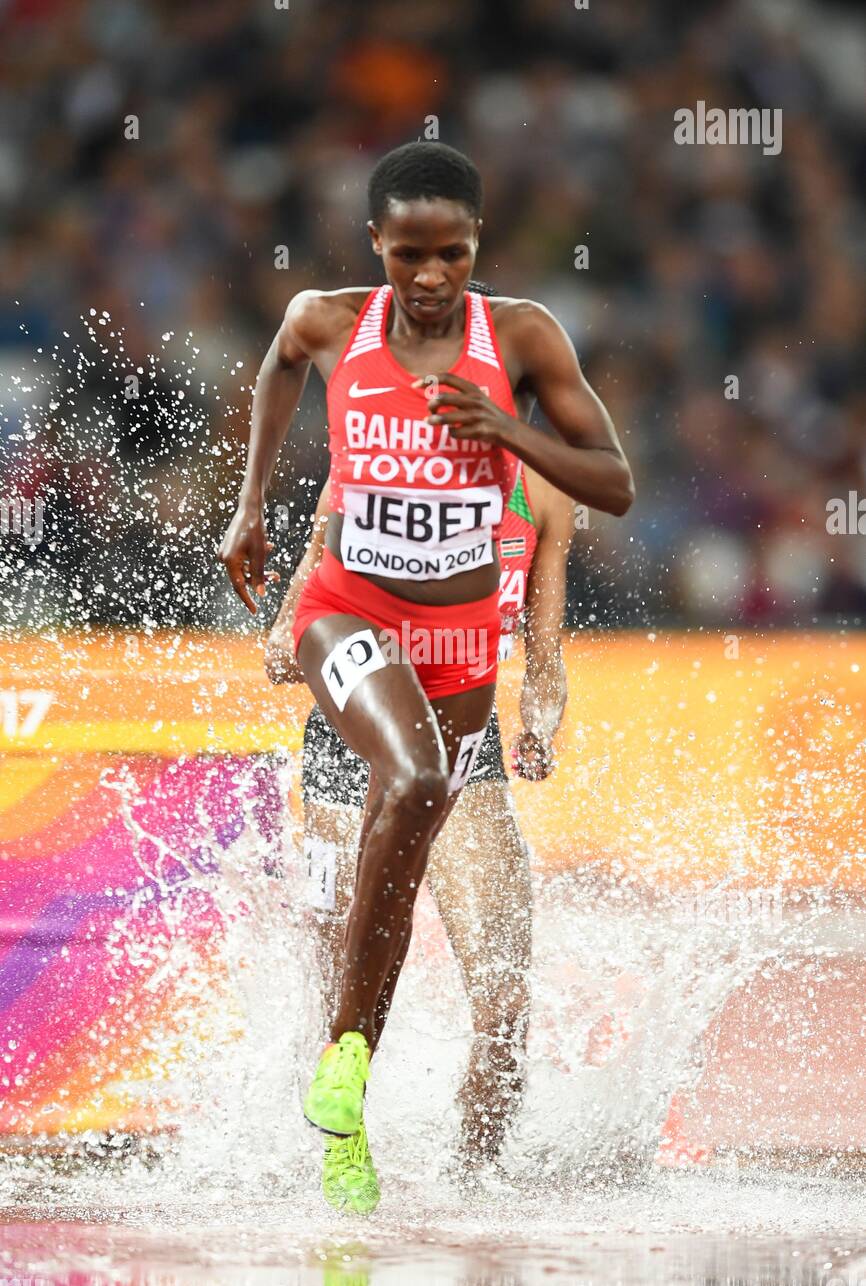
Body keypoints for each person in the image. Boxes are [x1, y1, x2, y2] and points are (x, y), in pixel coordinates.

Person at [218, 141, 634, 1214]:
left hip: (461, 672)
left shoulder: (523, 353)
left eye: (452, 252)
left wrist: (504, 429)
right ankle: (324, 1114)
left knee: (482, 966)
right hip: (349, 648)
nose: (432, 276)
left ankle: (453, 1170)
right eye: (410, 255)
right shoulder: (333, 323)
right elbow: (283, 379)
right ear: (378, 247)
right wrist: (250, 510)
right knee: (359, 886)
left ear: (476, 245)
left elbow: (592, 525)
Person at [265, 430, 574, 1209]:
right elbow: (303, 598)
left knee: (505, 1003)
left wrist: (539, 721)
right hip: (352, 735)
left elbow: (545, 651)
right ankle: (340, 1161)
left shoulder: (545, 485)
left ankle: (473, 1190)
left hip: (464, 743)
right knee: (337, 999)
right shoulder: (375, 453)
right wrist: (289, 624)